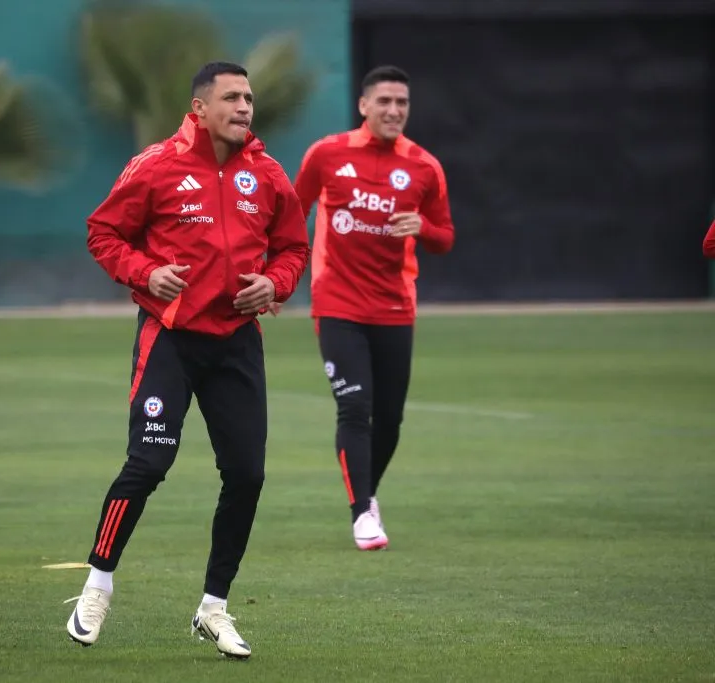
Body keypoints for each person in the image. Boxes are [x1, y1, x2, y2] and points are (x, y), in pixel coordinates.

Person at [65, 61, 310, 659]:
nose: (245, 107)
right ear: (199, 108)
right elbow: (103, 233)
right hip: (169, 338)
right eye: (231, 97)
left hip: (236, 345)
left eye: (249, 97)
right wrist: (147, 273)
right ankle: (97, 586)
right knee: (148, 464)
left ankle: (214, 608)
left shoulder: (269, 174)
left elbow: (293, 247)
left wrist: (274, 286)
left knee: (247, 475)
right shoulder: (157, 165)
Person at [293, 65, 455, 551]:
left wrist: (421, 229)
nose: (394, 111)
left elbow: (445, 238)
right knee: (355, 405)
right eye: (384, 101)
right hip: (336, 299)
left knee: (390, 418)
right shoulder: (327, 154)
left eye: (402, 103)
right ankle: (362, 511)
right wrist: (277, 275)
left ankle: (368, 494)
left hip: (394, 305)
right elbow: (292, 211)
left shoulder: (425, 166)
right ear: (364, 105)